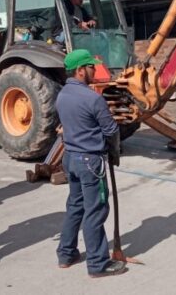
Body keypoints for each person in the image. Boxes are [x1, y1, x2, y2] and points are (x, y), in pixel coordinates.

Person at [55, 49, 126, 278]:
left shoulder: (62, 94)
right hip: (89, 162)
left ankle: (66, 254)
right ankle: (97, 263)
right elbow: (111, 130)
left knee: (75, 206)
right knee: (95, 210)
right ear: (80, 70)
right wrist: (114, 152)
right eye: (91, 66)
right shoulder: (92, 98)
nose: (95, 70)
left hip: (71, 159)